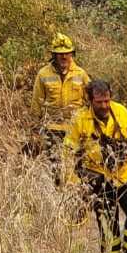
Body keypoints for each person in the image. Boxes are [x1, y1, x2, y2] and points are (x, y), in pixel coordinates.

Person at [64, 79, 127, 253]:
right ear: (90, 100)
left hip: (124, 174)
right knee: (107, 223)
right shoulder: (80, 119)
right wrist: (72, 180)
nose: (104, 106)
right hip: (98, 177)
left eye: (107, 101)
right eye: (99, 102)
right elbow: (68, 150)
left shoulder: (121, 112)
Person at [29, 33, 90, 182]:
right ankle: (58, 194)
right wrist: (35, 129)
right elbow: (36, 102)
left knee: (77, 166)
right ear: (54, 55)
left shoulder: (81, 74)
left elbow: (90, 101)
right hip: (52, 128)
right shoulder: (43, 74)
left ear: (72, 54)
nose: (64, 57)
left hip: (75, 128)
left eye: (67, 53)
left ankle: (76, 194)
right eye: (60, 54)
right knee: (55, 166)